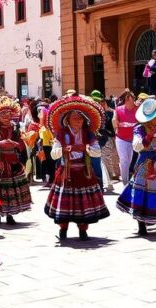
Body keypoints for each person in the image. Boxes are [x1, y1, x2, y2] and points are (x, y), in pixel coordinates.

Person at [44, 95, 110, 242]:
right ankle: (63, 229)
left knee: (83, 202)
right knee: (65, 201)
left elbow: (97, 151)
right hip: (66, 172)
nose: (78, 121)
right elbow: (54, 155)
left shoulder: (88, 133)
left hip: (84, 172)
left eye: (80, 118)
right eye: (74, 118)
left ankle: (83, 230)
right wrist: (64, 150)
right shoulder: (62, 134)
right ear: (67, 119)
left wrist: (85, 148)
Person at [117, 98, 156, 235]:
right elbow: (137, 146)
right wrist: (149, 137)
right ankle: (142, 225)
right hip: (145, 166)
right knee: (142, 193)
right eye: (154, 116)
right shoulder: (139, 129)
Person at [0, 97, 32, 225]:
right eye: (3, 114)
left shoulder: (15, 129)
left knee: (12, 189)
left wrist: (20, 143)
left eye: (9, 114)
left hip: (12, 162)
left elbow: (21, 144)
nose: (6, 117)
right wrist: (0, 144)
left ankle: (10, 214)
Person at [92, 91, 119, 193]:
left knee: (105, 160)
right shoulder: (94, 113)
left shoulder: (109, 112)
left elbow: (111, 128)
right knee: (102, 161)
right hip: (96, 140)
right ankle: (106, 182)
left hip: (105, 139)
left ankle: (108, 182)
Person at [113, 90, 138, 185]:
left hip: (134, 139)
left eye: (133, 100)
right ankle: (125, 183)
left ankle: (132, 181)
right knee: (124, 161)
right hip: (121, 138)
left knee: (131, 161)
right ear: (126, 101)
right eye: (130, 101)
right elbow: (115, 123)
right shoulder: (118, 109)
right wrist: (117, 122)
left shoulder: (138, 109)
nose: (133, 103)